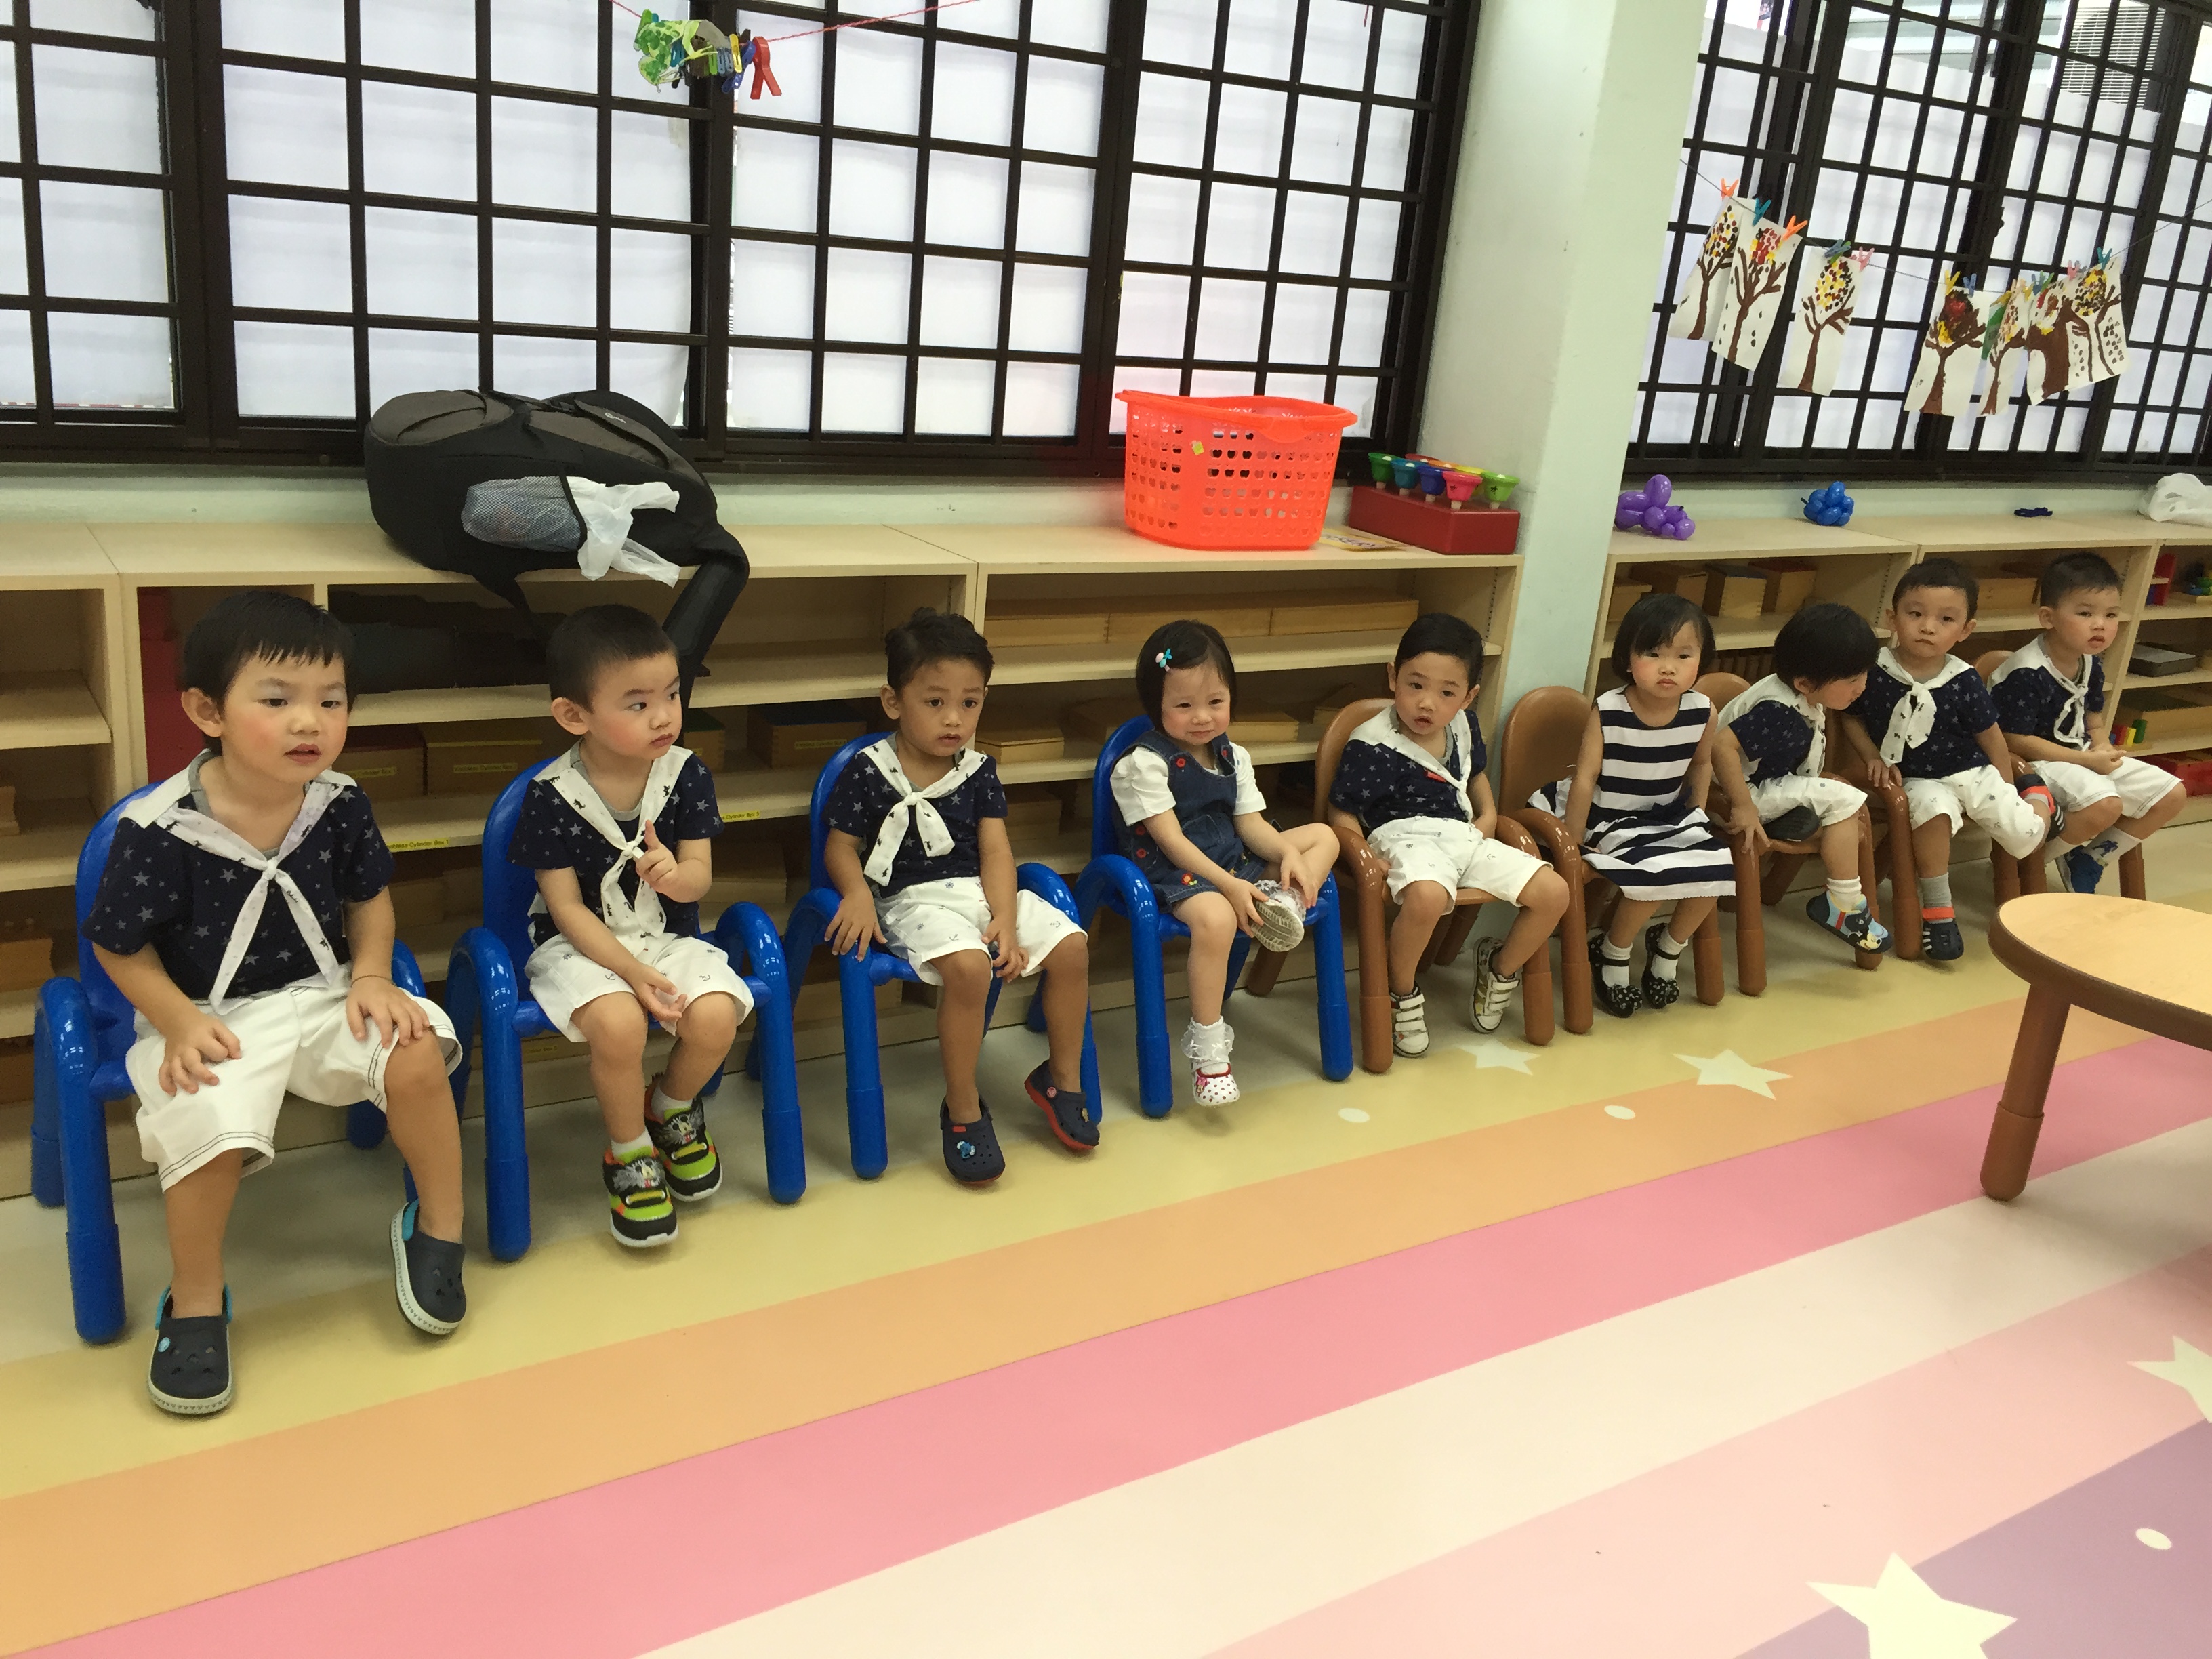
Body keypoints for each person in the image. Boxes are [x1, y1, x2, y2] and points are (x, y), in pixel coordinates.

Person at [83, 592, 468, 1417]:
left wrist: (372, 976)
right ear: (206, 712)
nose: (310, 722)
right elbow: (118, 945)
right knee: (206, 1124)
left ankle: (438, 1229)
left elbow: (369, 899)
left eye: (331, 701)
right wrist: (179, 1022)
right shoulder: (159, 829)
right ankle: (196, 1300)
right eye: (277, 700)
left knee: (415, 1051)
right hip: (207, 1013)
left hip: (326, 994)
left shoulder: (340, 801)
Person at [506, 605, 750, 1248]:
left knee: (716, 1016)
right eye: (638, 704)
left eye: (671, 694)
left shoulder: (687, 774)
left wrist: (676, 878)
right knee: (618, 1025)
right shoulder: (550, 794)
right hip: (576, 945)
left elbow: (700, 878)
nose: (664, 715)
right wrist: (632, 973)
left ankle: (670, 1108)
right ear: (574, 716)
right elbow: (565, 909)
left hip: (665, 937)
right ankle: (629, 1149)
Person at [822, 609, 1094, 1184]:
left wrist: (1006, 920)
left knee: (1073, 947)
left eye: (970, 703)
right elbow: (840, 847)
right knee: (970, 968)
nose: (954, 719)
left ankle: (1061, 1079)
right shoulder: (867, 771)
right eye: (935, 701)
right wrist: (857, 894)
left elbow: (996, 852)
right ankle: (963, 1108)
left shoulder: (978, 771)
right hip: (909, 901)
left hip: (978, 894)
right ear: (893, 701)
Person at [1113, 621, 1340, 1103]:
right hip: (1175, 872)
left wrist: (1287, 854)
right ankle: (1209, 1052)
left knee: (1323, 837)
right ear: (1156, 705)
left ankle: (1283, 903)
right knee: (1216, 918)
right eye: (1184, 706)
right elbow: (1172, 842)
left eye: (1216, 702)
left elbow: (1251, 825)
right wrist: (1230, 885)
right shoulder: (1142, 764)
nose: (1202, 717)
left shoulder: (1233, 755)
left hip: (1233, 859)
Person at [1326, 613, 1568, 1053]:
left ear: (1469, 696)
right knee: (1428, 897)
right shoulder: (1370, 743)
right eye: (1415, 685)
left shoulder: (1464, 725)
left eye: (1447, 693)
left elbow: (1474, 776)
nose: (1427, 704)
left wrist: (1488, 813)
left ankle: (1500, 969)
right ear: (1393, 676)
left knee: (1554, 891)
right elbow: (1341, 809)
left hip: (1463, 836)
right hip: (1401, 838)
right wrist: (1364, 856)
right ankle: (1401, 991)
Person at [1841, 558, 2058, 962]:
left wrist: (2008, 784)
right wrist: (1871, 755)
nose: (1928, 627)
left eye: (1945, 619)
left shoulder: (1963, 679)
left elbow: (1990, 735)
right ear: (1891, 617)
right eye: (1915, 614)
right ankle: (1939, 913)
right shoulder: (1873, 669)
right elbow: (1850, 716)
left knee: (2025, 834)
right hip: (1914, 778)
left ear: (1965, 630)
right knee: (1931, 812)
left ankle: (2040, 801)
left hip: (1971, 770)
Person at [1533, 592, 1736, 1019]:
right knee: (1653, 876)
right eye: (1653, 654)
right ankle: (1613, 952)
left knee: (1716, 871)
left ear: (1702, 661)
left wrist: (1697, 817)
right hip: (1608, 815)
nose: (1668, 667)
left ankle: (1668, 947)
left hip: (1665, 816)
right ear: (1628, 659)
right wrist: (1573, 841)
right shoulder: (1610, 709)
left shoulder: (1702, 711)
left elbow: (1701, 765)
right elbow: (1585, 778)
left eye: (1683, 655)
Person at [1992, 551, 2186, 893]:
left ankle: (2090, 858)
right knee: (2105, 804)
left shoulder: (2091, 662)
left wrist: (2102, 747)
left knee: (2172, 794)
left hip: (2080, 755)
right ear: (2048, 618)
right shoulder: (2026, 672)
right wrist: (2086, 760)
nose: (2101, 624)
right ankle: (2030, 864)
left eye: (2111, 614)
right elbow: (2014, 740)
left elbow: (2092, 717)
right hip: (2032, 763)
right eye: (2085, 613)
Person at [1713, 602, 1893, 954]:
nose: (1862, 687)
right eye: (1852, 680)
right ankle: (1843, 904)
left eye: (1864, 674)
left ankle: (1794, 822)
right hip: (1737, 795)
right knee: (1847, 801)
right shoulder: (1777, 711)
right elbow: (1721, 746)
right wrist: (1743, 806)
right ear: (1804, 683)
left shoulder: (1805, 692)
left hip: (1769, 785)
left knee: (1843, 804)